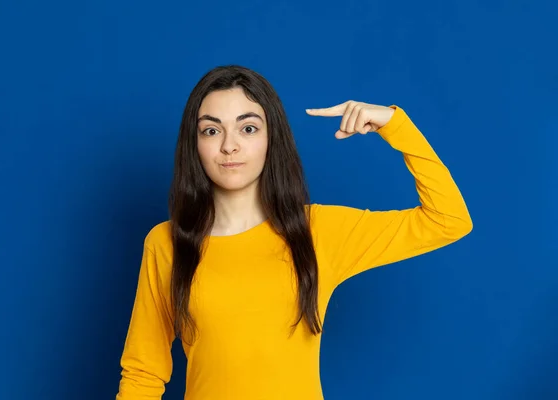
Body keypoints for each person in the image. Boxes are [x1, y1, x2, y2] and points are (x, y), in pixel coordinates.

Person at [115, 65, 472, 400]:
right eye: (211, 130)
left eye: (248, 128)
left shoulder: (318, 232)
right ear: (195, 145)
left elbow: (449, 219)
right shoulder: (166, 243)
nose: (229, 145)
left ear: (273, 138)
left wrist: (396, 124)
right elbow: (143, 373)